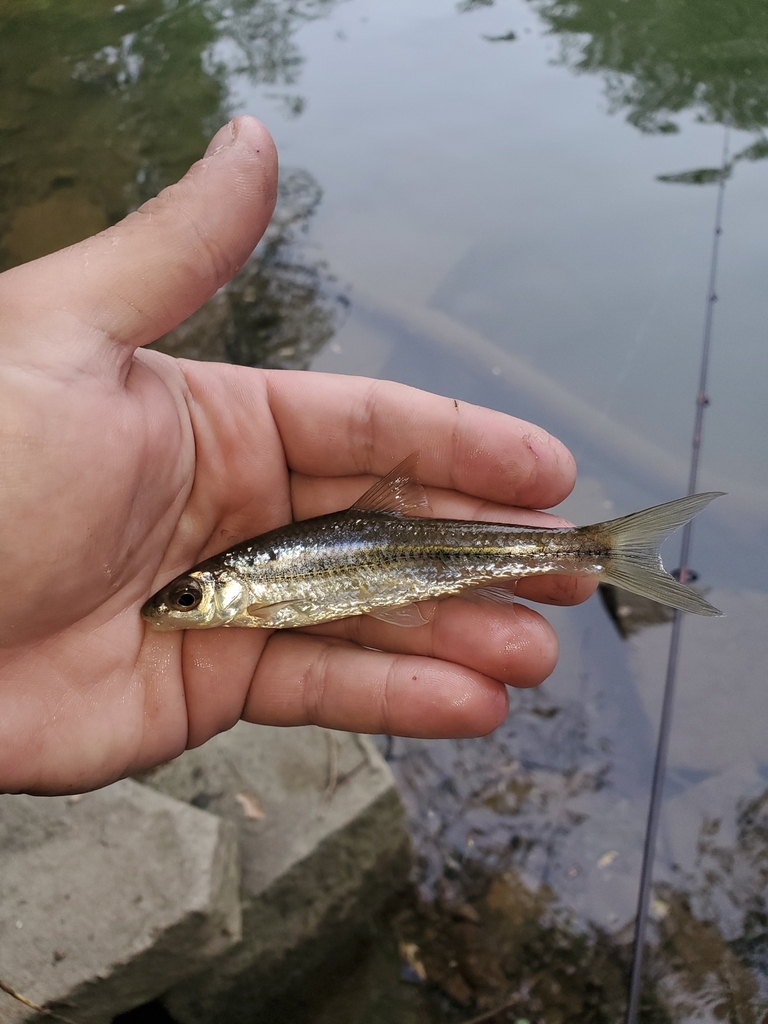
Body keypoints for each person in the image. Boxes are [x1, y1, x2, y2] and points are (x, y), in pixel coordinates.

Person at [0, 116, 595, 797]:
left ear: (226, 588)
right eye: (189, 597)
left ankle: (590, 550)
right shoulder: (243, 601)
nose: (178, 608)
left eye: (190, 597)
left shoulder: (250, 594)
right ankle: (589, 550)